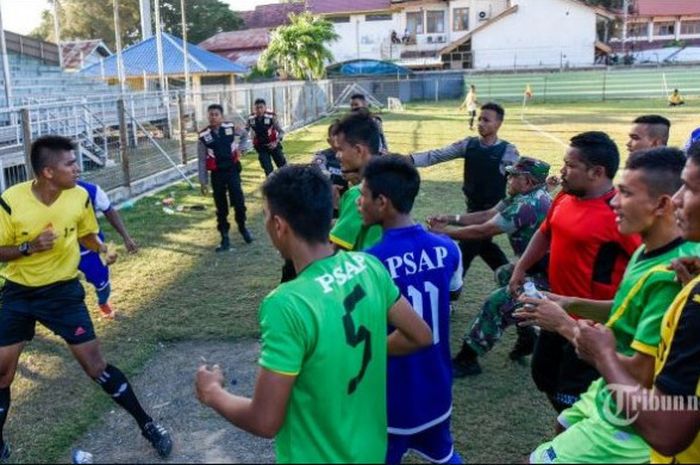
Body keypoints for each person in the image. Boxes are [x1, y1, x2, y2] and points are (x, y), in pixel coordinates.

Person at [194, 164, 432, 464]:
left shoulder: (286, 304)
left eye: (266, 216)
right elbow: (421, 335)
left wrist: (212, 393)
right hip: (371, 453)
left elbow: (265, 421)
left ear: (280, 225)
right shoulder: (368, 266)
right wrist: (351, 353)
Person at [0, 136, 172, 462]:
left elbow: (84, 234)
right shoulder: (11, 201)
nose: (78, 168)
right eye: (70, 164)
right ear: (48, 172)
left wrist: (102, 247)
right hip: (18, 293)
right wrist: (29, 247)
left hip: (63, 293)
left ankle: (148, 424)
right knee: (3, 374)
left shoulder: (79, 196)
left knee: (96, 367)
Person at [518, 148, 695, 463]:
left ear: (661, 204)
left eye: (624, 193)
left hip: (631, 417)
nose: (613, 201)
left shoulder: (670, 276)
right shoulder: (651, 249)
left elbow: (644, 376)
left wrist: (564, 324)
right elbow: (628, 308)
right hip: (606, 391)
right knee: (562, 423)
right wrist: (572, 303)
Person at [572, 141, 700, 463]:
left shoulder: (682, 289)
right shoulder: (679, 271)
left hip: (632, 428)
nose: (679, 200)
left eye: (690, 187)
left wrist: (600, 353)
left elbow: (666, 430)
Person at [509, 132, 641, 413]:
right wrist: (521, 267)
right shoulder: (564, 198)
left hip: (591, 328)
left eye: (570, 165)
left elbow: (643, 268)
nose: (562, 171)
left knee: (573, 398)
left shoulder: (621, 213)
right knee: (543, 376)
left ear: (597, 172)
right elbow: (546, 233)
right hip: (555, 312)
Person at [360, 156, 464, 464]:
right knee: (444, 455)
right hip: (436, 383)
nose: (358, 202)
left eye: (363, 195)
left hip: (390, 392)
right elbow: (453, 293)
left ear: (382, 202)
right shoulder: (448, 248)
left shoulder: (369, 263)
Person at [429, 157, 552, 376]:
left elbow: (483, 230)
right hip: (535, 267)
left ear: (528, 181)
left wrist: (444, 232)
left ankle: (468, 359)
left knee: (496, 301)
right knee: (505, 274)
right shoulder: (523, 197)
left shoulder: (527, 205)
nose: (509, 178)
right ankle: (528, 335)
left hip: (548, 275)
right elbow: (487, 215)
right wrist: (450, 218)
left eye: (514, 175)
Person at [410, 102, 520, 277]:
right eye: (479, 119)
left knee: (466, 252)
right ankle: (514, 281)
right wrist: (409, 159)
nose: (481, 124)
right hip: (472, 209)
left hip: (492, 213)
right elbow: (438, 155)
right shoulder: (468, 144)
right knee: (484, 247)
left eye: (486, 120)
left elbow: (519, 178)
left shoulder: (508, 151)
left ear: (498, 123)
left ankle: (450, 290)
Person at [76, 179, 138, 319]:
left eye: (75, 163)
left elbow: (109, 211)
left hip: (91, 249)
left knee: (102, 282)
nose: (76, 169)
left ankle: (103, 303)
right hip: (60, 252)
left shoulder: (91, 190)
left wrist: (126, 237)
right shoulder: (43, 194)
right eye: (69, 164)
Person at [198, 104, 253, 252]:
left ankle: (242, 227)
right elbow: (202, 160)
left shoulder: (230, 127)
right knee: (221, 207)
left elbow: (245, 135)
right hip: (217, 174)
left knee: (239, 202)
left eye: (216, 114)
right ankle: (225, 238)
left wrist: (242, 149)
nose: (213, 117)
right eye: (210, 114)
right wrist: (203, 182)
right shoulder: (204, 136)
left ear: (222, 117)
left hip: (232, 170)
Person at [330, 109, 385, 251]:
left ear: (359, 151)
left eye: (341, 150)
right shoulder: (390, 183)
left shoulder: (357, 195)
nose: (338, 156)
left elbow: (336, 252)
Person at [246, 98, 287, 176]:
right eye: (257, 108)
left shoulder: (271, 117)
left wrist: (275, 142)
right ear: (254, 108)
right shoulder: (251, 118)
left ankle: (287, 184)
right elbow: (245, 130)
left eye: (261, 107)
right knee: (268, 169)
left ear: (265, 107)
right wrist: (237, 132)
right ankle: (271, 186)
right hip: (261, 147)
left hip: (273, 145)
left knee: (283, 167)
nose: (259, 110)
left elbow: (281, 132)